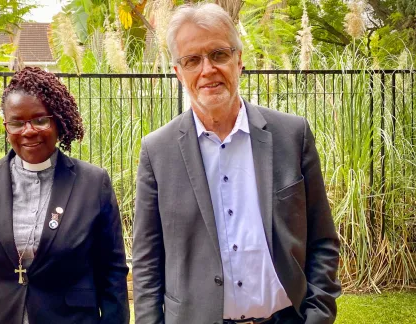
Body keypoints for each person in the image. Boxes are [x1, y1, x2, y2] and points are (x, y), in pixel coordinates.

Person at [132, 3, 340, 324]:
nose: (207, 70)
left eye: (218, 54)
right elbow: (147, 263)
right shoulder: (158, 151)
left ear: (239, 60)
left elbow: (322, 239)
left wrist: (318, 315)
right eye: (192, 60)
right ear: (178, 72)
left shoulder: (291, 135)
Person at [0, 67, 130, 324]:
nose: (28, 131)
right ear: (7, 127)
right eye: (16, 122)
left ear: (58, 121)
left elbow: (112, 271)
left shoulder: (93, 184)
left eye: (40, 120)